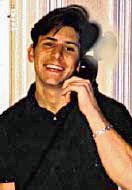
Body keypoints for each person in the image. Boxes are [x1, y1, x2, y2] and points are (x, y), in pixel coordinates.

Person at [0, 4, 132, 190]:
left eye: (69, 48)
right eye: (49, 44)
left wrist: (92, 112)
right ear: (31, 53)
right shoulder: (8, 124)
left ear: (79, 63)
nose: (57, 55)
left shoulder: (110, 112)